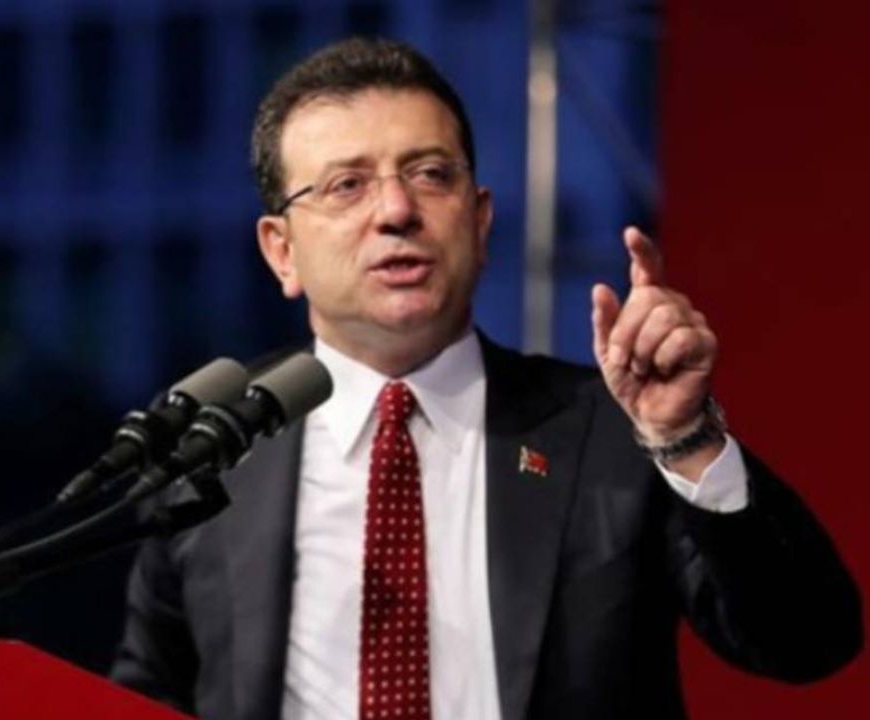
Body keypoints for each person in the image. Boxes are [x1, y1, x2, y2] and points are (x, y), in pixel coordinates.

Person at [110, 37, 861, 720]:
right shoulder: (215, 446)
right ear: (282, 252)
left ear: (480, 221)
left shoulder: (609, 433)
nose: (397, 210)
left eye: (430, 174)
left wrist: (685, 438)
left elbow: (807, 641)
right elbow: (146, 695)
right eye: (347, 185)